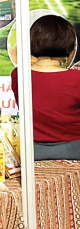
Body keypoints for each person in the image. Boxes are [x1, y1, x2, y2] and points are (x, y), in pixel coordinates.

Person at [11, 14, 80, 160]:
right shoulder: (75, 79)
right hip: (74, 152)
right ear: (68, 45)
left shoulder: (18, 74)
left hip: (31, 153)